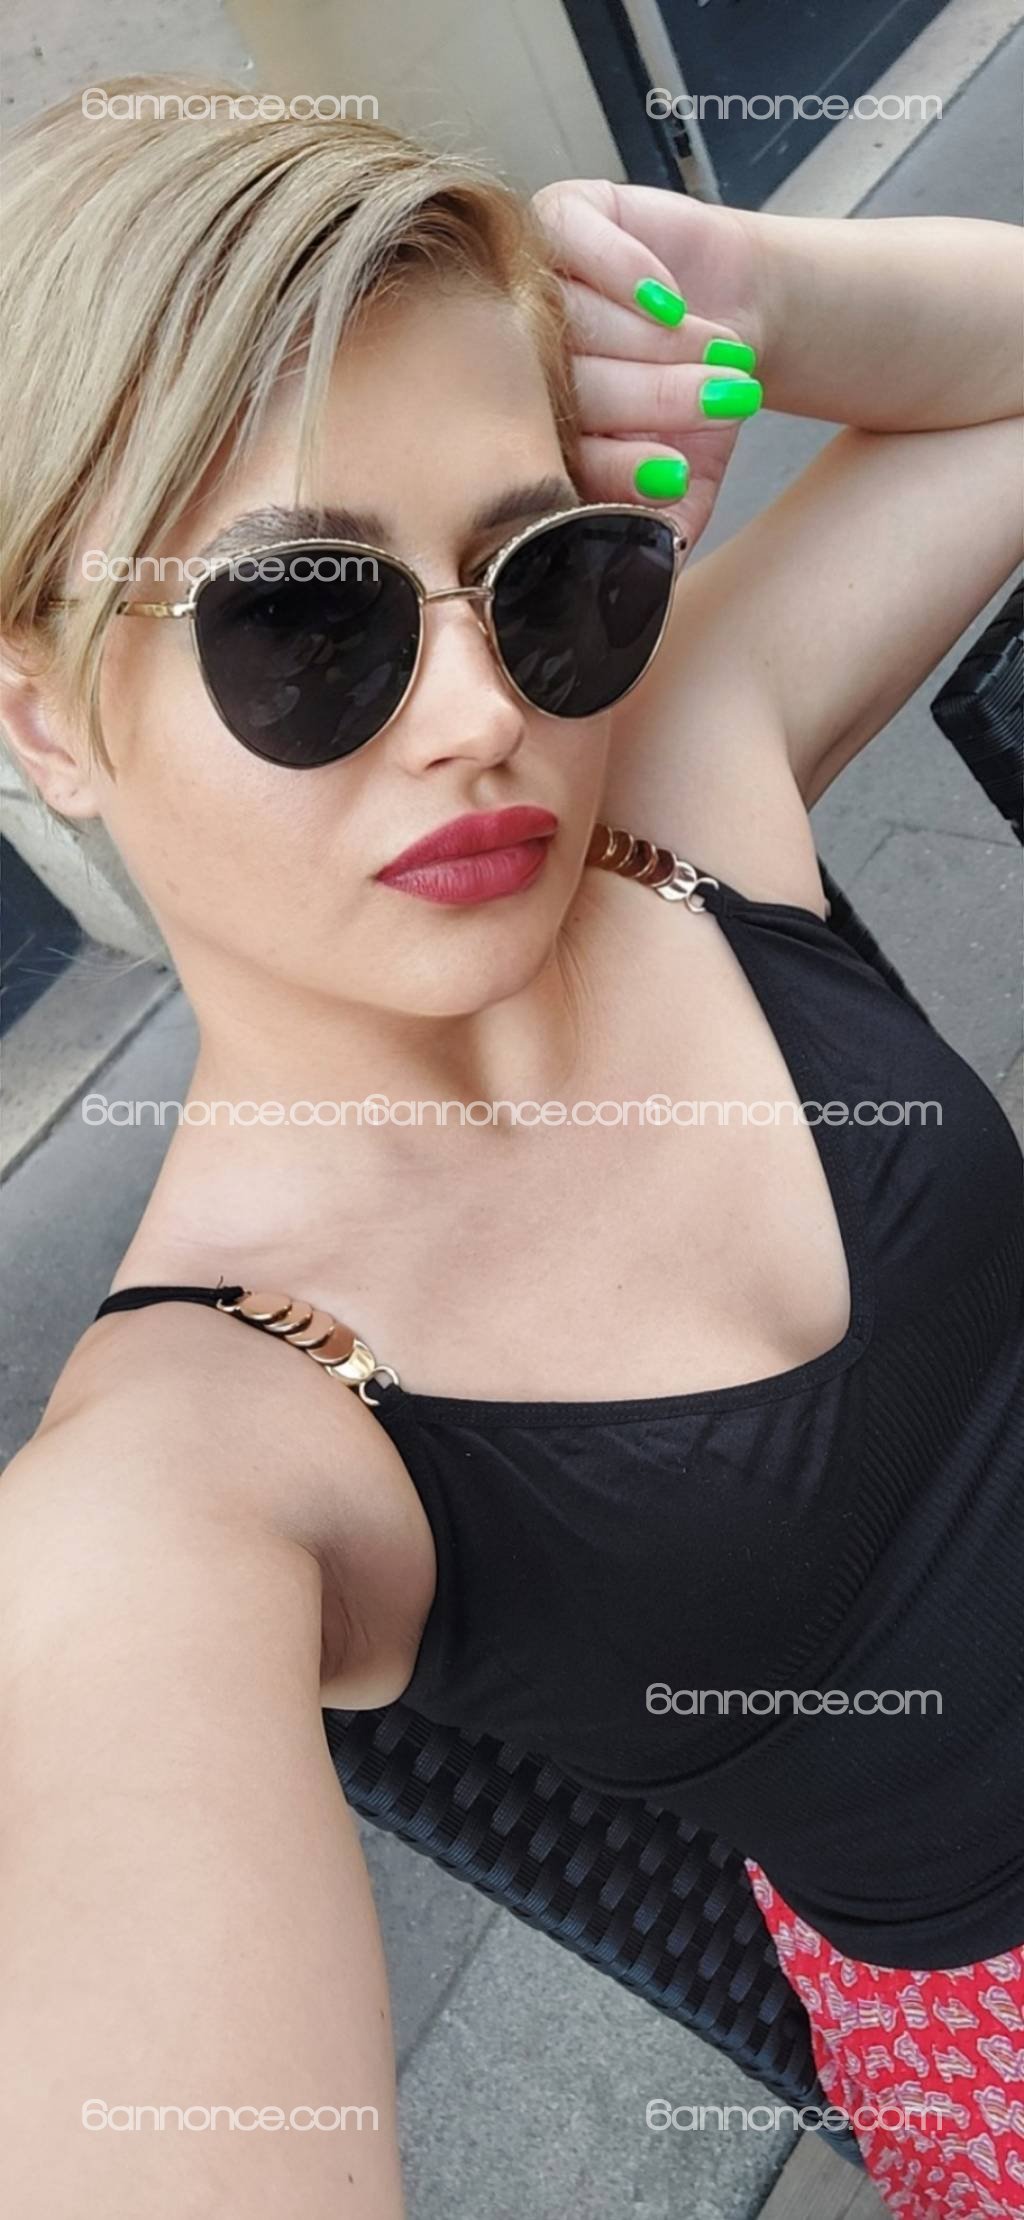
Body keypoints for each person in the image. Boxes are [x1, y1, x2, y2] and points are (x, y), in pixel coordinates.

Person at [0, 74, 1021, 2220]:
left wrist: (746, 301)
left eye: (541, 576)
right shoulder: (191, 1463)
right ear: (43, 714)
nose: (482, 715)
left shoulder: (672, 792)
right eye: (307, 621)